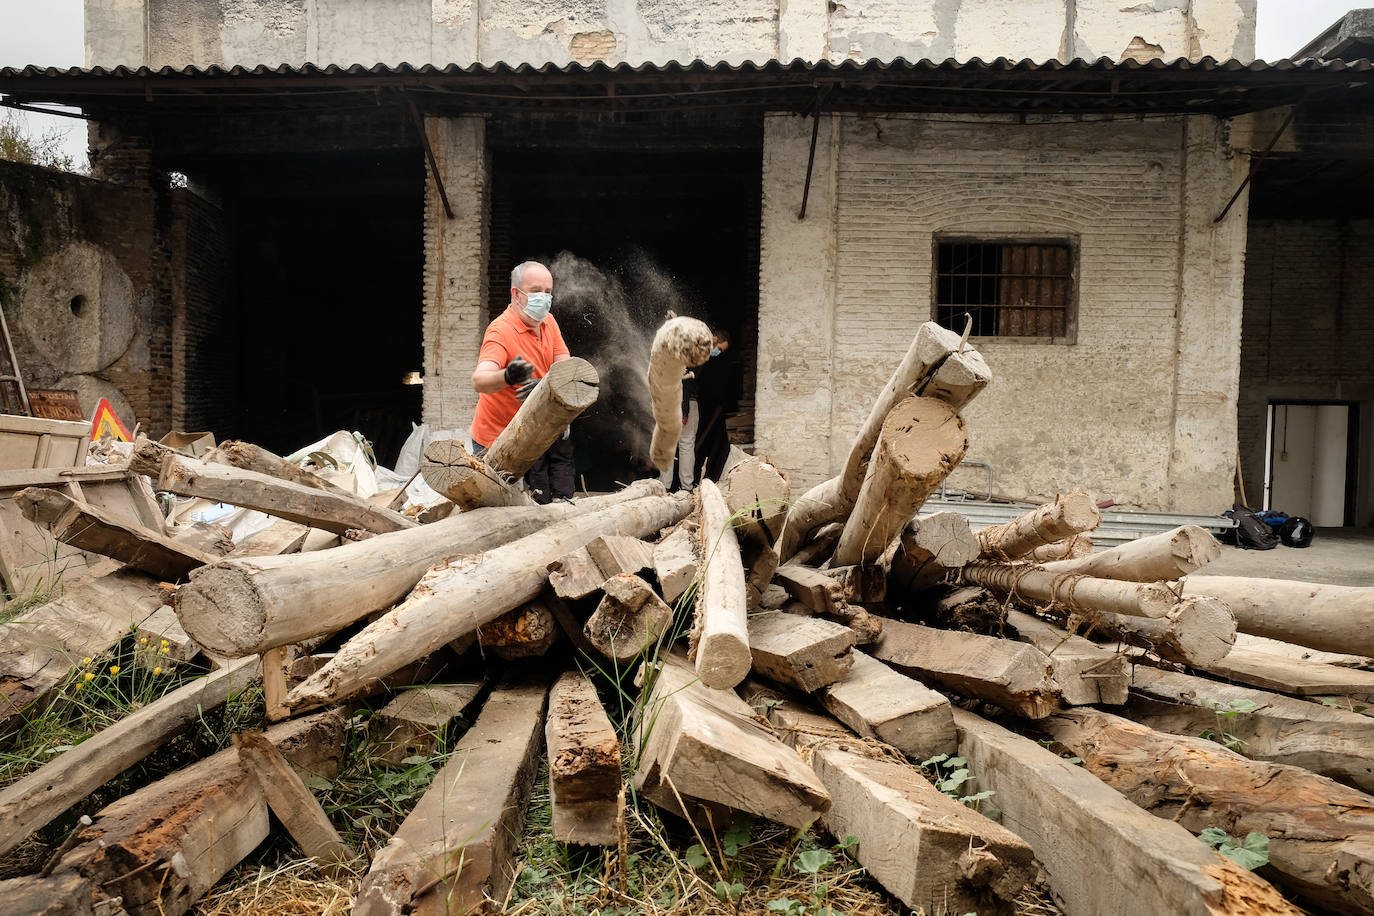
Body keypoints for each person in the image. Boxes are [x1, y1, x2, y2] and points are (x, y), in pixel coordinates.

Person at [470, 260, 575, 503]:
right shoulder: (500, 331)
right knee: (499, 511)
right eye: (536, 291)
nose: (544, 298)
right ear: (516, 294)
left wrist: (549, 390)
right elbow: (480, 380)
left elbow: (564, 367)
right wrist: (508, 376)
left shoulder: (549, 322)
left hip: (532, 431)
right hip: (496, 441)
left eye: (548, 292)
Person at [659, 329, 729, 492]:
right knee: (686, 444)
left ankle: (665, 485)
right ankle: (686, 487)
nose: (717, 353)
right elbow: (685, 382)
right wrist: (684, 411)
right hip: (683, 402)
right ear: (714, 338)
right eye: (719, 348)